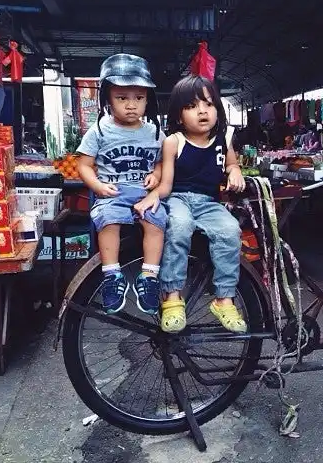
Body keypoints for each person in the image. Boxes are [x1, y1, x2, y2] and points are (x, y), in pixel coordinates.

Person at [155, 75, 248, 333]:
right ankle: (172, 296)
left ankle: (224, 298)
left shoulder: (224, 138)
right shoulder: (174, 141)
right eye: (192, 106)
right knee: (180, 225)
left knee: (230, 231)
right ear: (178, 115)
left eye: (209, 104)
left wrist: (235, 171)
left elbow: (231, 163)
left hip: (209, 203)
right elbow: (165, 180)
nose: (202, 111)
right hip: (178, 198)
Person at [76, 54, 166, 316]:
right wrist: (97, 187)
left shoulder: (155, 133)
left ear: (148, 100)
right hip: (112, 193)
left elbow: (161, 162)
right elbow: (84, 165)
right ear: (107, 99)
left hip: (143, 193)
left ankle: (148, 277)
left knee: (156, 221)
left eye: (139, 98)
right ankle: (112, 275)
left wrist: (157, 177)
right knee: (107, 219)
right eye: (122, 98)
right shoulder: (99, 132)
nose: (131, 105)